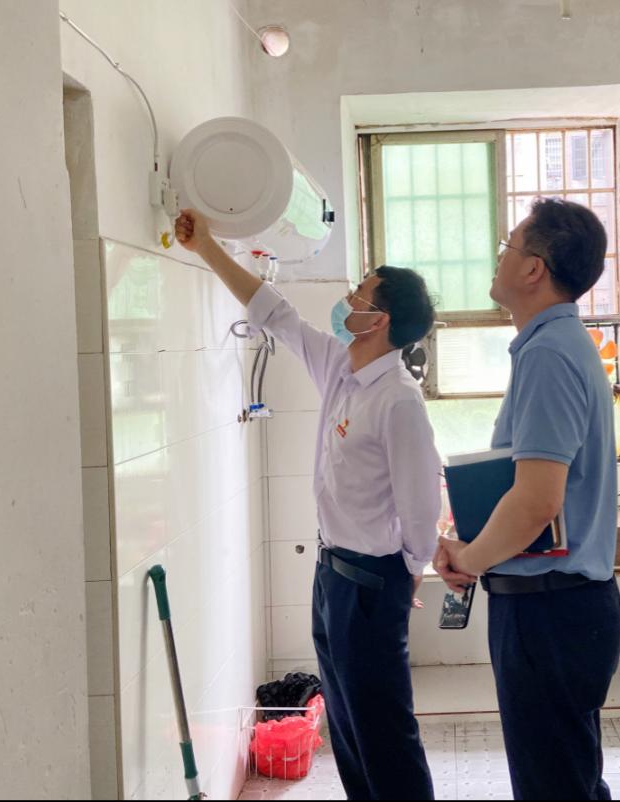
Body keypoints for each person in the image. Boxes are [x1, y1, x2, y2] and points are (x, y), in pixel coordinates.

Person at [175, 209, 442, 801]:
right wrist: (208, 248)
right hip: (332, 577)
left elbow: (422, 508)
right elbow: (276, 314)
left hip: (371, 584)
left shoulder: (398, 401)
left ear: (379, 320)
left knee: (383, 731)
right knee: (345, 727)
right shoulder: (342, 368)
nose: (347, 299)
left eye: (359, 293)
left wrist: (405, 574)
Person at [434, 198, 620, 800]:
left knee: (554, 785)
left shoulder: (548, 354)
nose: (499, 258)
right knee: (569, 779)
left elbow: (537, 501)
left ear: (534, 268)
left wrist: (467, 559)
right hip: (559, 608)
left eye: (507, 247)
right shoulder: (558, 345)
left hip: (550, 613)